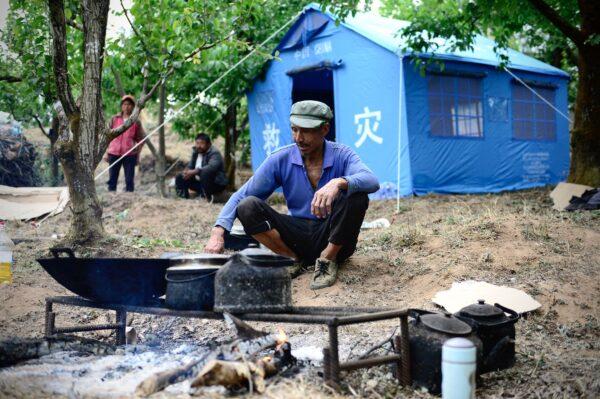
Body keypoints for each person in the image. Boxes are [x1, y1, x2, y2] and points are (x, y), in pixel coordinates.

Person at [205, 100, 379, 289]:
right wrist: (217, 233)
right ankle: (291, 259)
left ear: (325, 129)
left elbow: (371, 180)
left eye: (306, 131)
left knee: (356, 195)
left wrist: (339, 182)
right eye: (294, 129)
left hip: (335, 238)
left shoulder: (342, 154)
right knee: (247, 206)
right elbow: (241, 195)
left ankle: (327, 260)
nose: (298, 137)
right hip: (297, 236)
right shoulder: (281, 159)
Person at [106, 95, 145, 192]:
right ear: (121, 106)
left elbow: (141, 139)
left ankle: (129, 200)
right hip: (114, 153)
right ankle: (111, 199)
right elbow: (106, 136)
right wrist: (106, 152)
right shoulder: (114, 119)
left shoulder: (135, 121)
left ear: (133, 106)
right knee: (112, 180)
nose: (126, 107)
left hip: (129, 154)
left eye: (129, 104)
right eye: (124, 104)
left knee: (129, 180)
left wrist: (138, 153)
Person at [175, 133, 228, 200]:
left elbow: (211, 168)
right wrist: (187, 172)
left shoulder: (214, 153)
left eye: (202, 143)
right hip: (201, 183)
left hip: (215, 183)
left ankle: (207, 197)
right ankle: (183, 197)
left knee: (205, 172)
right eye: (197, 143)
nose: (199, 146)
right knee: (180, 176)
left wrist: (194, 171)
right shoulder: (196, 152)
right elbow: (191, 166)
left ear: (209, 144)